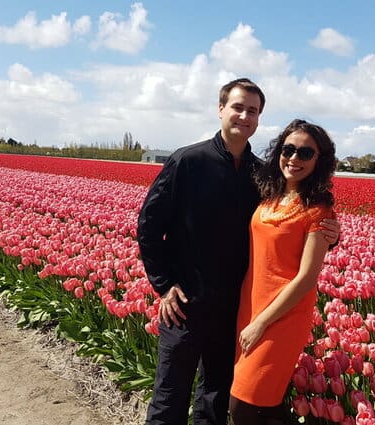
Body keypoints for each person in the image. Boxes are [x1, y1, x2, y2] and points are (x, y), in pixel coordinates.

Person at [137, 79, 340, 425]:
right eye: (238, 107)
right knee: (170, 397)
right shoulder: (188, 161)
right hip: (186, 302)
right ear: (221, 109)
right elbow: (149, 225)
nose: (245, 116)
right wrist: (164, 284)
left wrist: (329, 237)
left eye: (253, 111)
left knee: (216, 397)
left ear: (259, 118)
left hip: (234, 306)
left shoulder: (260, 174)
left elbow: (291, 221)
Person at [229, 119, 337, 425]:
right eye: (289, 149)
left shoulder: (318, 211)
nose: (294, 158)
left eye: (306, 153)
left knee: (244, 404)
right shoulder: (269, 195)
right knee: (262, 403)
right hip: (251, 306)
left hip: (283, 315)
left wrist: (261, 323)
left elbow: (306, 278)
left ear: (320, 160)